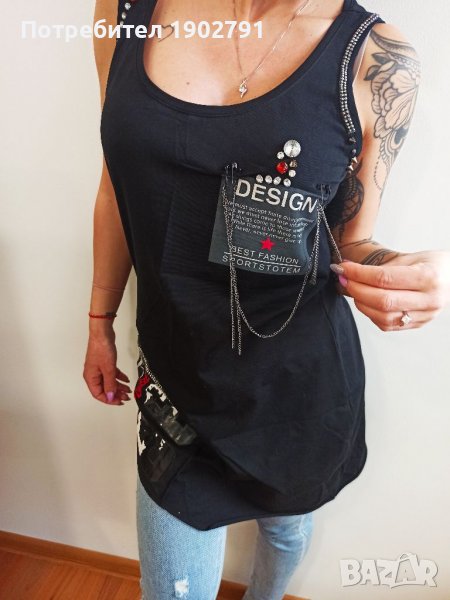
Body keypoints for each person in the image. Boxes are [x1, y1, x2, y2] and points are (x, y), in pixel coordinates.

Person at [84, 0, 450, 598]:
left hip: (294, 386)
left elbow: (352, 243)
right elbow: (113, 183)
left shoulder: (377, 61)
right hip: (176, 382)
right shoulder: (126, 10)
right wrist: (99, 319)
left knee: (285, 528)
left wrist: (416, 274)